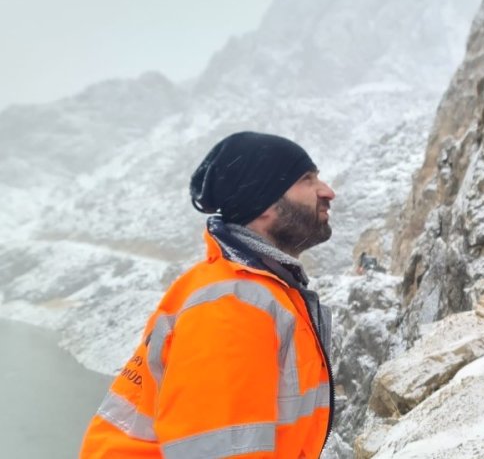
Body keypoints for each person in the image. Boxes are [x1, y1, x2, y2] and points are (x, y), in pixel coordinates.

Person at [80, 131, 338, 458]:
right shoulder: (235, 305)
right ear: (264, 204)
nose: (327, 191)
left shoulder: (263, 291)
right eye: (307, 179)